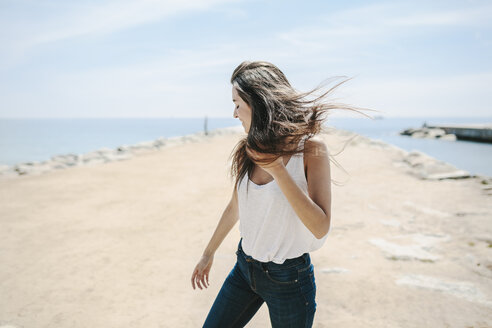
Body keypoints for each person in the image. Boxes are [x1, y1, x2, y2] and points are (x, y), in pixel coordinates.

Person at [191, 61, 375, 327]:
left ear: (258, 103)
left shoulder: (311, 149)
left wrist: (278, 170)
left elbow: (321, 226)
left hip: (290, 279)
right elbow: (235, 206)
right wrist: (208, 254)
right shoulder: (248, 149)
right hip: (245, 269)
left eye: (237, 103)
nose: (234, 113)